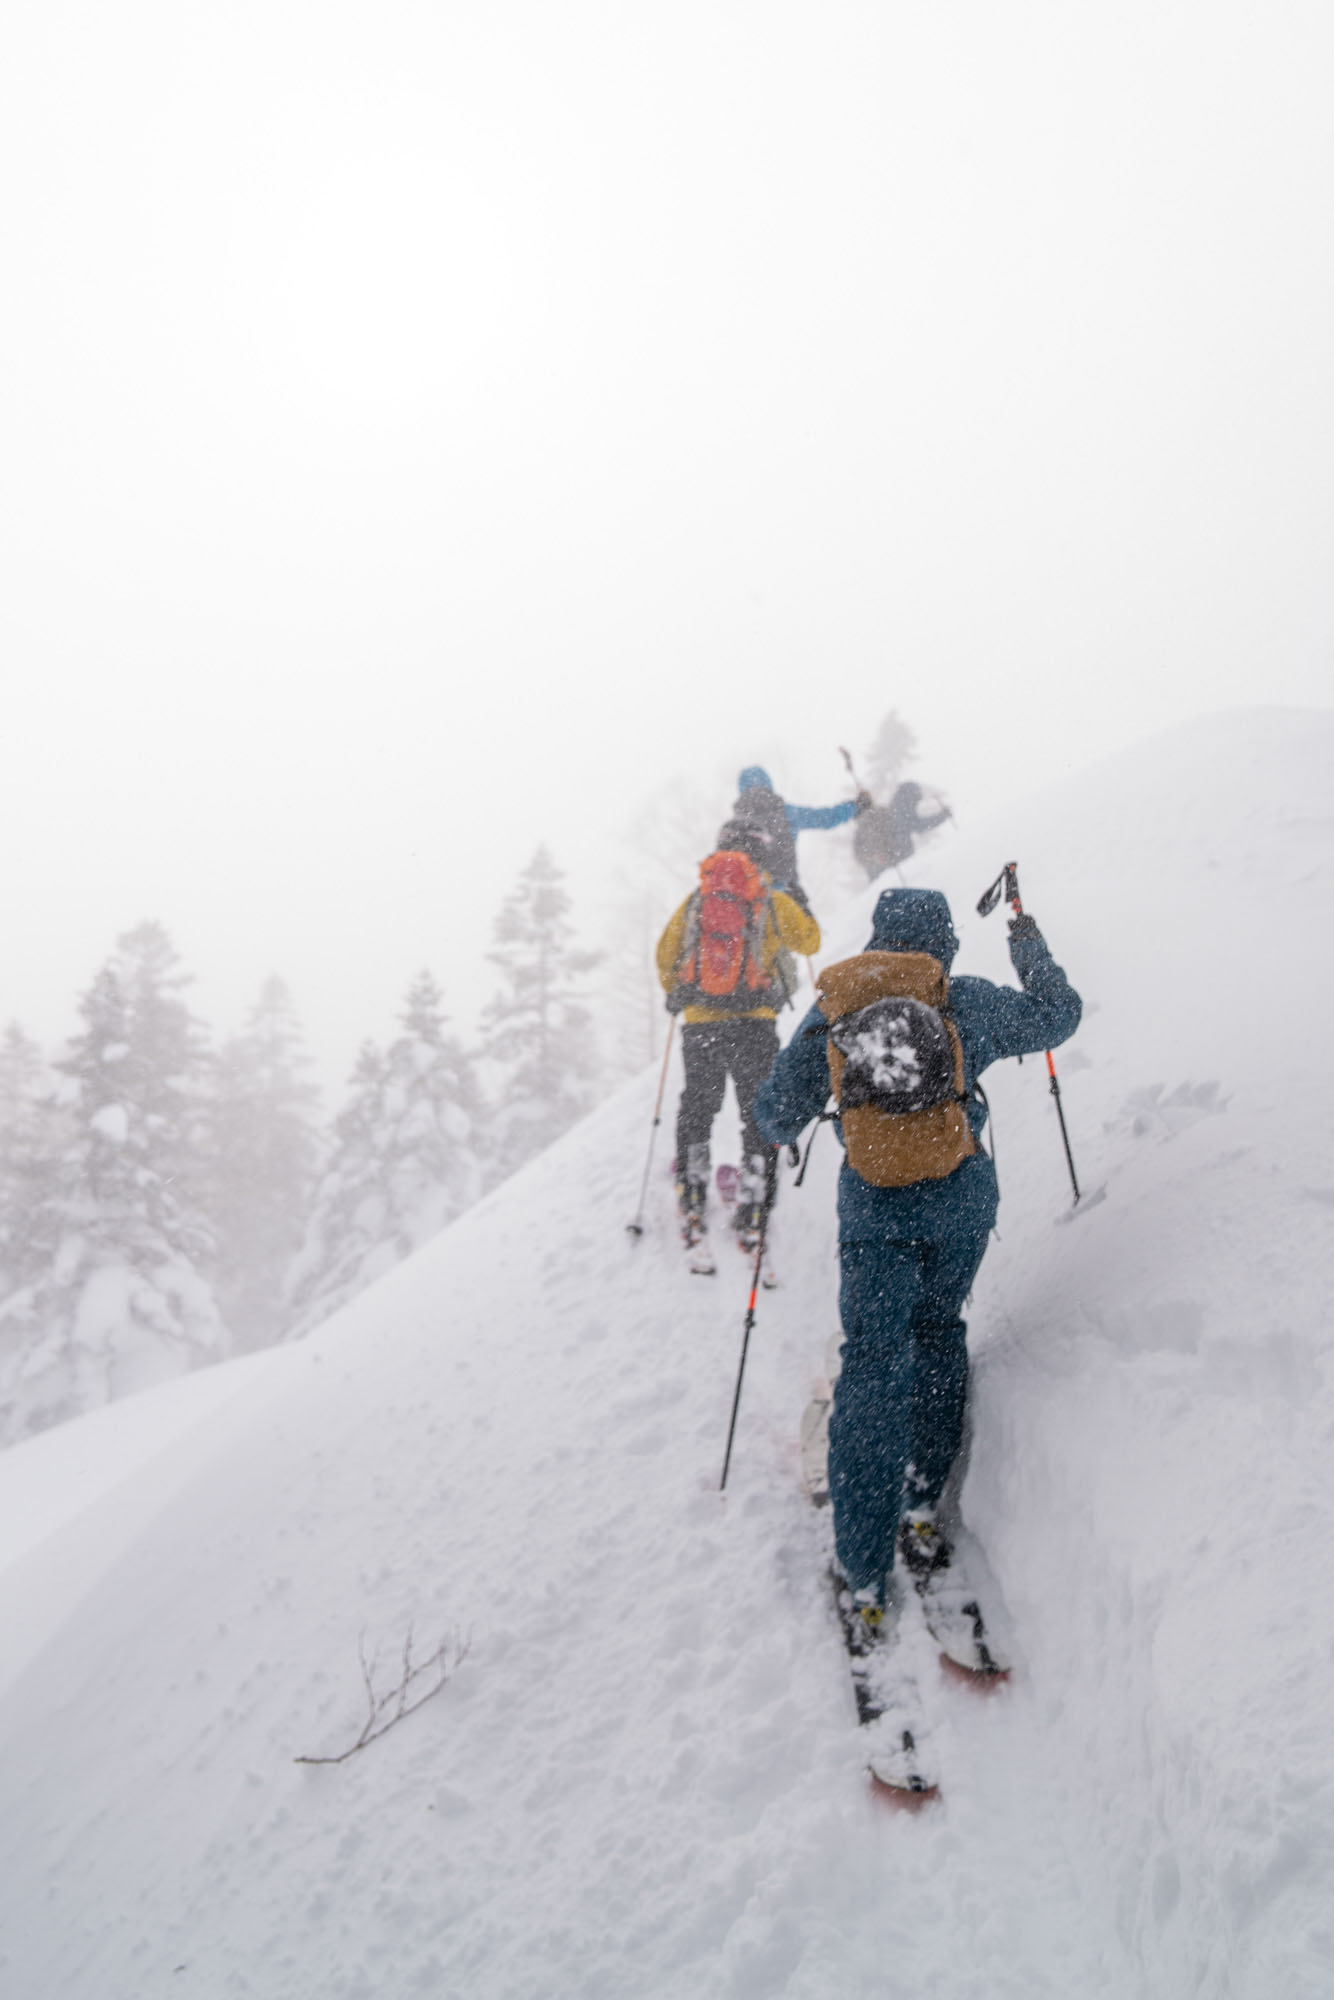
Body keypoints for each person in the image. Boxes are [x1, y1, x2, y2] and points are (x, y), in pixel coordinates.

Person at [753, 886, 1081, 1644]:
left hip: (876, 1214)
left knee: (873, 1363)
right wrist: (1027, 938)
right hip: (962, 1201)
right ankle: (922, 1508)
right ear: (944, 948)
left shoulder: (839, 1006)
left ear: (878, 940)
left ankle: (864, 1573)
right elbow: (1058, 1015)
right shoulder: (961, 999)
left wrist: (800, 1106)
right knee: (937, 1334)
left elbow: (774, 1114)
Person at [656, 822, 820, 1271]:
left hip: (702, 1025)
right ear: (757, 856)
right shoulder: (768, 897)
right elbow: (811, 941)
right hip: (755, 1023)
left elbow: (664, 953)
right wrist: (800, 904)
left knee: (698, 1107)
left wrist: (681, 993)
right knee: (756, 1111)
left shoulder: (697, 900)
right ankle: (753, 1207)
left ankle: (691, 1194)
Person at [728, 766, 872, 906]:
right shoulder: (785, 813)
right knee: (806, 929)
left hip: (747, 902)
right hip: (786, 897)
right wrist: (856, 806)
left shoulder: (734, 826)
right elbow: (824, 818)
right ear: (768, 784)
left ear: (741, 789)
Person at [852, 780, 952, 882]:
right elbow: (918, 825)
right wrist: (942, 816)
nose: (916, 803)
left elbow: (860, 854)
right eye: (916, 799)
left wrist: (875, 858)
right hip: (896, 864)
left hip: (890, 867)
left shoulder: (886, 814)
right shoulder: (896, 811)